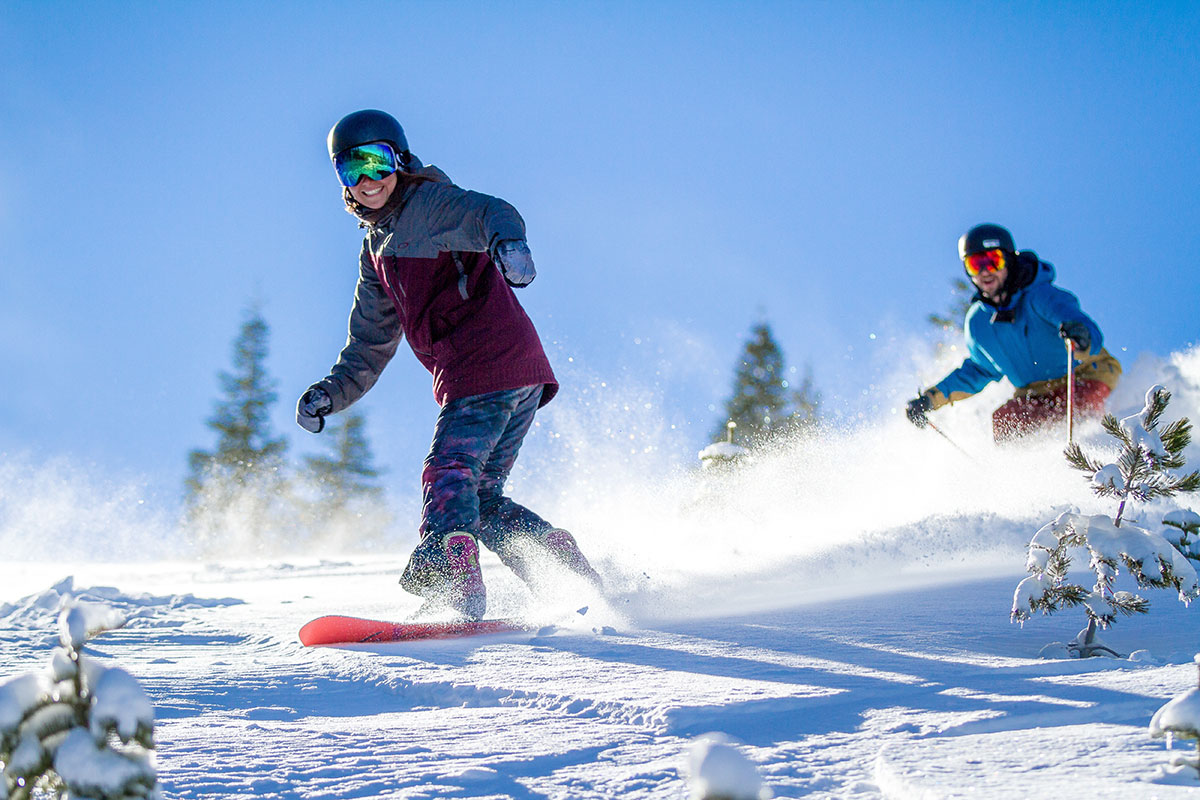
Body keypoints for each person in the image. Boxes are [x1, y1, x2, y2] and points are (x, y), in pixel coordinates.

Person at [297, 109, 601, 620]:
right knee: (478, 499)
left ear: (401, 159)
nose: (369, 181)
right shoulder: (378, 249)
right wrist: (334, 391)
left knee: (448, 471)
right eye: (353, 169)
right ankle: (561, 567)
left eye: (378, 162)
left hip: (483, 363)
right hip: (516, 370)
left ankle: (452, 587)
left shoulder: (430, 203)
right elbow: (371, 341)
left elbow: (492, 211)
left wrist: (510, 244)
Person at [906, 223, 1121, 442]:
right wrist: (931, 399)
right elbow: (979, 370)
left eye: (992, 260)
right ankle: (1021, 473)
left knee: (1080, 407)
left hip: (1083, 375)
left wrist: (1079, 335)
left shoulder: (1040, 296)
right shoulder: (978, 322)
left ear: (1008, 260)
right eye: (975, 264)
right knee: (1006, 421)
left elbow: (1079, 323)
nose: (985, 271)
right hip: (1035, 393)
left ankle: (1098, 454)